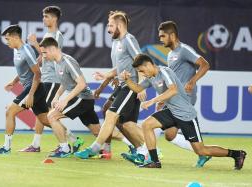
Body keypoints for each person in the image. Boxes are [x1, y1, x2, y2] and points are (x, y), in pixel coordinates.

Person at [120, 53, 246, 170]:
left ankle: (237, 154)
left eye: (142, 70)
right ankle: (154, 161)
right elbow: (137, 88)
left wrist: (152, 101)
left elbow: (173, 90)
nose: (142, 73)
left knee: (201, 151)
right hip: (171, 111)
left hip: (186, 114)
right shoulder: (151, 77)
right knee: (147, 125)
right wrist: (127, 80)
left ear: (148, 65)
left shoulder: (165, 71)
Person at [74, 10, 149, 162]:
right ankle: (144, 150)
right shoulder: (116, 42)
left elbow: (141, 62)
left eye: (111, 25)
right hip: (122, 86)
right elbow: (120, 68)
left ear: (120, 25)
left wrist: (141, 86)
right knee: (126, 124)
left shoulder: (129, 39)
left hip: (131, 86)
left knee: (110, 114)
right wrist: (107, 75)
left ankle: (95, 149)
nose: (108, 29)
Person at [19, 5, 84, 153]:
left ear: (54, 18)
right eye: (43, 16)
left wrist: (35, 44)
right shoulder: (49, 34)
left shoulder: (57, 36)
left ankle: (72, 140)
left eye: (46, 16)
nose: (44, 19)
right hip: (46, 78)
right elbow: (43, 57)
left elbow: (53, 56)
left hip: (53, 79)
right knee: (41, 112)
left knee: (47, 114)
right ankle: (36, 144)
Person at [39, 37, 111, 158]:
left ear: (52, 49)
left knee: (51, 116)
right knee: (97, 131)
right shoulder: (57, 63)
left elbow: (82, 83)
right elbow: (65, 82)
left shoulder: (67, 61)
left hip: (82, 98)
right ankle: (127, 144)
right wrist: (56, 96)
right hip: (83, 99)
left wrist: (65, 100)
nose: (43, 56)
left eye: (44, 53)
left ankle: (64, 149)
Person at [155, 20, 211, 167]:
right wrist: (164, 98)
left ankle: (146, 154)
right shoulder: (171, 54)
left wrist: (192, 81)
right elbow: (173, 80)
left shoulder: (184, 49)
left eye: (162, 36)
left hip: (185, 98)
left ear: (172, 35)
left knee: (152, 122)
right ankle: (202, 153)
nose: (160, 39)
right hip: (175, 97)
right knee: (170, 135)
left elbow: (205, 65)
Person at [0, 25, 49, 154]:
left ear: (15, 37)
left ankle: (6, 147)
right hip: (32, 88)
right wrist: (14, 81)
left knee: (10, 111)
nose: (7, 42)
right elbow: (25, 70)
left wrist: (31, 95)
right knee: (45, 119)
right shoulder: (16, 50)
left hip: (35, 88)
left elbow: (37, 74)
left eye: (8, 39)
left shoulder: (26, 50)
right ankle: (73, 138)